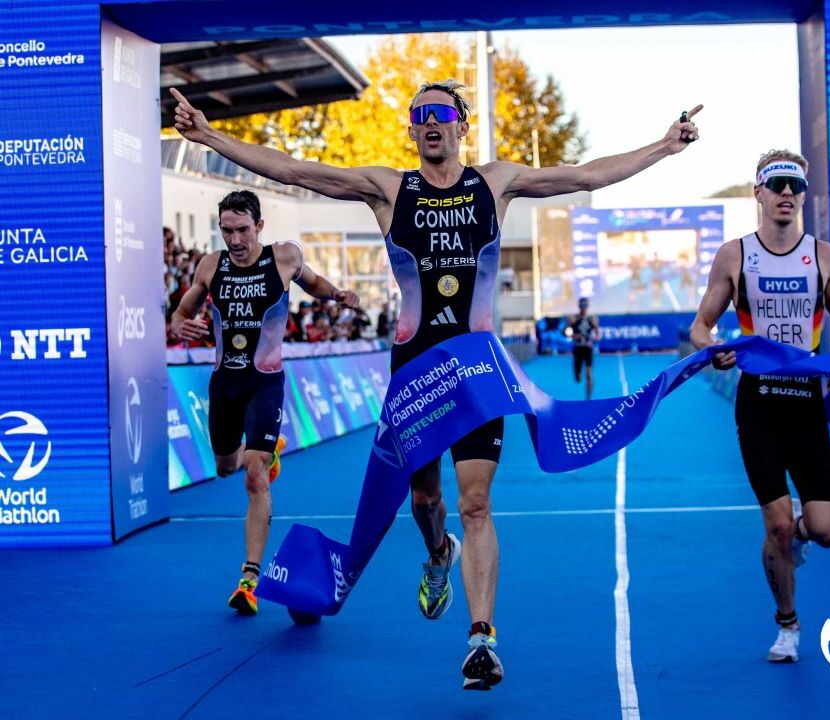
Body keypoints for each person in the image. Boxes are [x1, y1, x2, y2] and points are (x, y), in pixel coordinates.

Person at [171, 81, 701, 689]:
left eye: (441, 114)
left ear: (461, 126)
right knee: (425, 501)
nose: (430, 123)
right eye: (420, 115)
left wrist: (662, 147)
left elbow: (583, 176)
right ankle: (436, 553)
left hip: (476, 369)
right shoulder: (390, 190)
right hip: (415, 373)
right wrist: (208, 135)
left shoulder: (494, 184)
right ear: (412, 130)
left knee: (476, 501)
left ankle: (481, 640)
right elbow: (295, 168)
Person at [690, 150, 830, 663]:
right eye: (777, 185)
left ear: (802, 196)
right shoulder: (735, 255)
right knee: (778, 526)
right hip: (758, 402)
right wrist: (712, 348)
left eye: (795, 186)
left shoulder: (824, 256)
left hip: (807, 402)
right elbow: (701, 326)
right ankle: (787, 624)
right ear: (759, 194)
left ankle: (801, 538)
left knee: (824, 531)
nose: (787, 194)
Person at [171, 190, 359, 616]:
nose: (235, 240)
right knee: (226, 467)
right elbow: (181, 313)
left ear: (259, 226)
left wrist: (339, 295)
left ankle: (249, 578)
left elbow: (314, 284)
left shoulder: (284, 257)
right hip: (224, 384)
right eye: (226, 230)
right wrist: (183, 325)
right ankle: (265, 453)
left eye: (242, 230)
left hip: (265, 381)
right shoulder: (210, 265)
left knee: (255, 475)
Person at [568, 297, 600, 399]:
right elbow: (565, 332)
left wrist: (595, 338)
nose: (584, 308)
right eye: (582, 306)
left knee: (589, 373)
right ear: (579, 306)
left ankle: (588, 398)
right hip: (577, 348)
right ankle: (577, 374)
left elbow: (598, 333)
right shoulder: (573, 319)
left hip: (588, 348)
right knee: (578, 378)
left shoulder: (592, 319)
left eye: (585, 306)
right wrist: (573, 336)